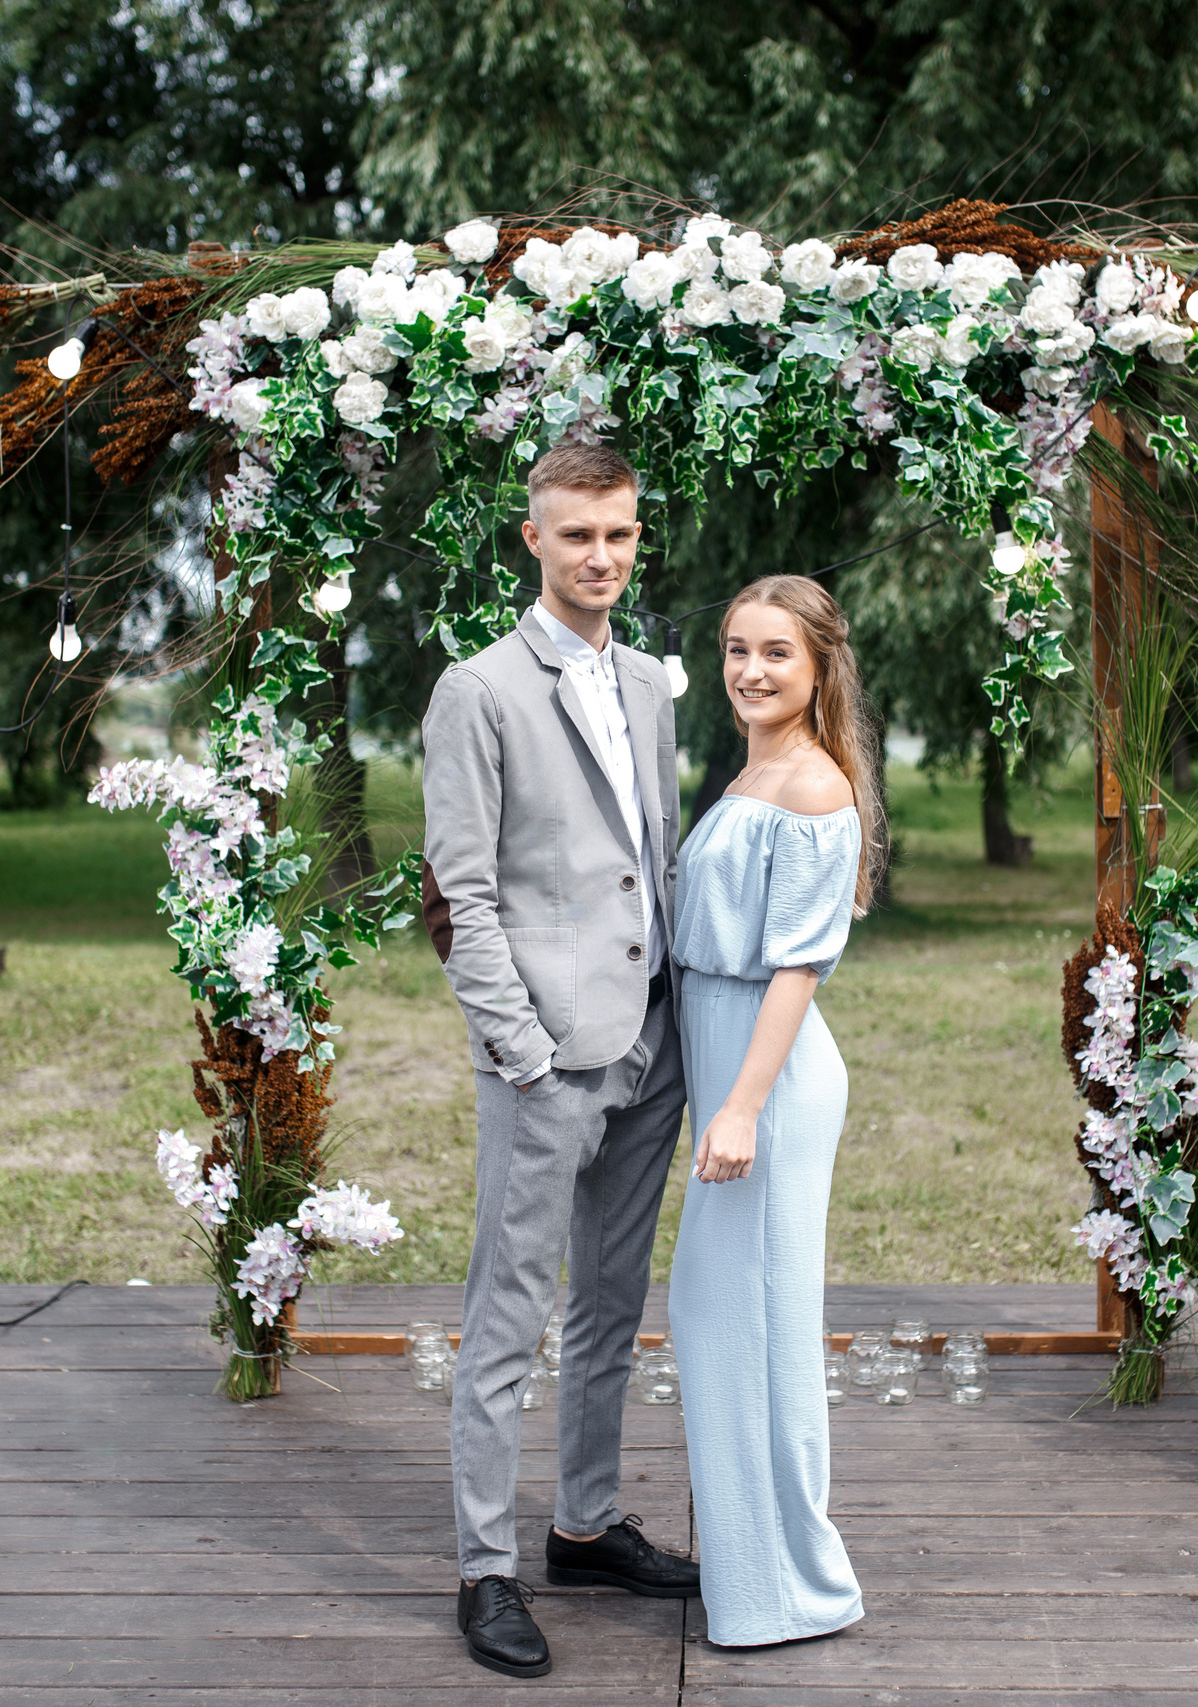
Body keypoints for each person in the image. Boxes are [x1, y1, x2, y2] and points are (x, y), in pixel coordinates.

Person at [419, 441, 700, 1680]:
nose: (601, 556)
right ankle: (484, 1570)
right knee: (507, 1318)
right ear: (531, 538)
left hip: (649, 1044)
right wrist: (522, 1051)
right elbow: (461, 896)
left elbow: (657, 850)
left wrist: (680, 1017)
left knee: (612, 1308)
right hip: (545, 1057)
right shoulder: (475, 689)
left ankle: (583, 1525)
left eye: (620, 535)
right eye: (578, 534)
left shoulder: (648, 680)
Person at [666, 574, 882, 1648]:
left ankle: (790, 1587)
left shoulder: (813, 786)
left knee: (746, 1325)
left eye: (776, 654)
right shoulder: (758, 766)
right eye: (736, 648)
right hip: (728, 1060)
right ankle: (759, 1577)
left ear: (818, 667)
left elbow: (796, 964)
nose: (751, 670)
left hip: (772, 1079)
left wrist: (740, 1108)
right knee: (725, 1324)